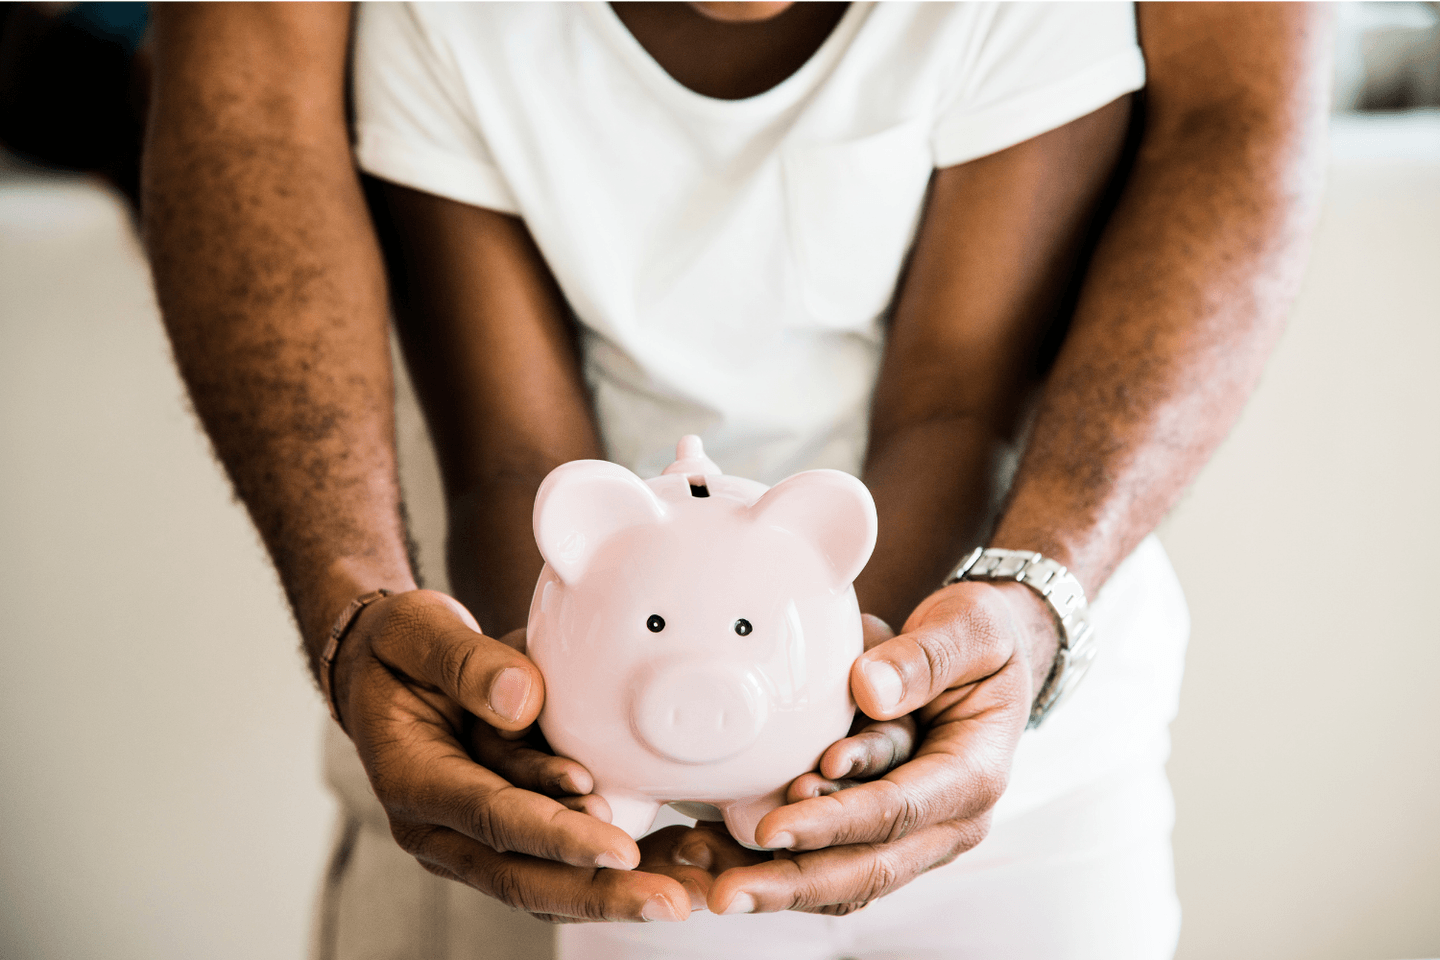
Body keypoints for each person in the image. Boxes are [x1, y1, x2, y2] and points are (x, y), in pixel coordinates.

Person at [142, 3, 1331, 958]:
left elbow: (956, 408)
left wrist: (851, 725)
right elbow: (513, 464)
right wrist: (575, 753)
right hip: (599, 808)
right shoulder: (445, 26)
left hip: (1006, 733)